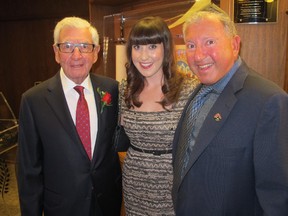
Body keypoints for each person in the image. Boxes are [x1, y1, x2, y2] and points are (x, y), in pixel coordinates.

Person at [172, 6, 288, 216]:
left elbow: (277, 195)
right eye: (191, 45)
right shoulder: (199, 90)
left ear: (235, 45)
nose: (198, 56)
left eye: (210, 42)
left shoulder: (269, 101)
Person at [17, 17, 122, 216]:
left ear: (96, 52)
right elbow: (29, 171)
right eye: (67, 46)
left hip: (107, 204)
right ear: (56, 52)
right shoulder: (33, 101)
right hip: (61, 207)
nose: (77, 55)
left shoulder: (112, 90)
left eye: (84, 46)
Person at [120, 16, 198, 215]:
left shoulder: (189, 90)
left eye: (152, 46)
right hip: (134, 181)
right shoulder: (124, 90)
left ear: (166, 48)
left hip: (174, 183)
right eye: (137, 47)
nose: (143, 56)